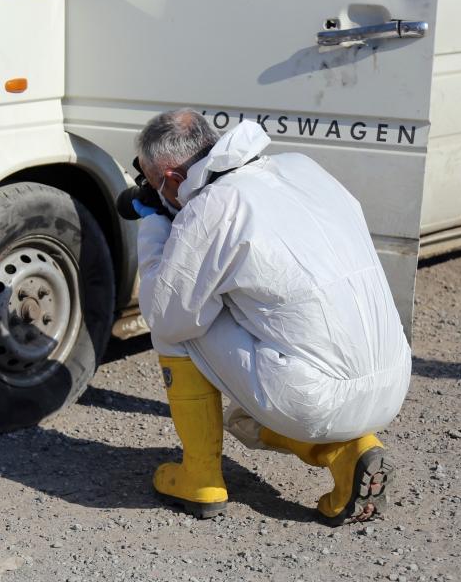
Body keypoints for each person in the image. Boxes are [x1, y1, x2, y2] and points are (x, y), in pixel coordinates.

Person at [133, 109, 412, 525]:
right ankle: (347, 452)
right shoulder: (301, 167)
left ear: (172, 179)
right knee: (243, 419)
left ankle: (199, 478)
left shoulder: (212, 206)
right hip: (392, 382)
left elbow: (167, 317)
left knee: (181, 326)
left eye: (156, 185)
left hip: (312, 400)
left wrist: (155, 223)